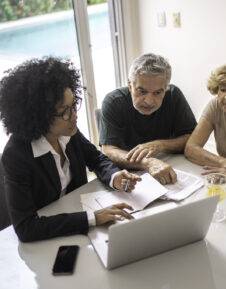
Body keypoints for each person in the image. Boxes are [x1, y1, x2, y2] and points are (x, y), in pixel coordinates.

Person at [0, 57, 141, 242]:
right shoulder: (16, 155)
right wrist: (93, 217)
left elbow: (96, 159)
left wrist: (115, 177)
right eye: (65, 111)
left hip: (80, 223)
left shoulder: (68, 131)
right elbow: (27, 228)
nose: (75, 115)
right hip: (51, 237)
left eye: (74, 104)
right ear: (38, 117)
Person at [99, 53, 197, 185]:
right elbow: (108, 150)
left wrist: (160, 145)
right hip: (127, 176)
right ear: (130, 84)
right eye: (142, 91)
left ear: (166, 87)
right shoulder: (113, 102)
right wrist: (147, 162)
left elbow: (193, 138)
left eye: (157, 93)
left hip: (169, 167)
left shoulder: (174, 95)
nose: (149, 101)